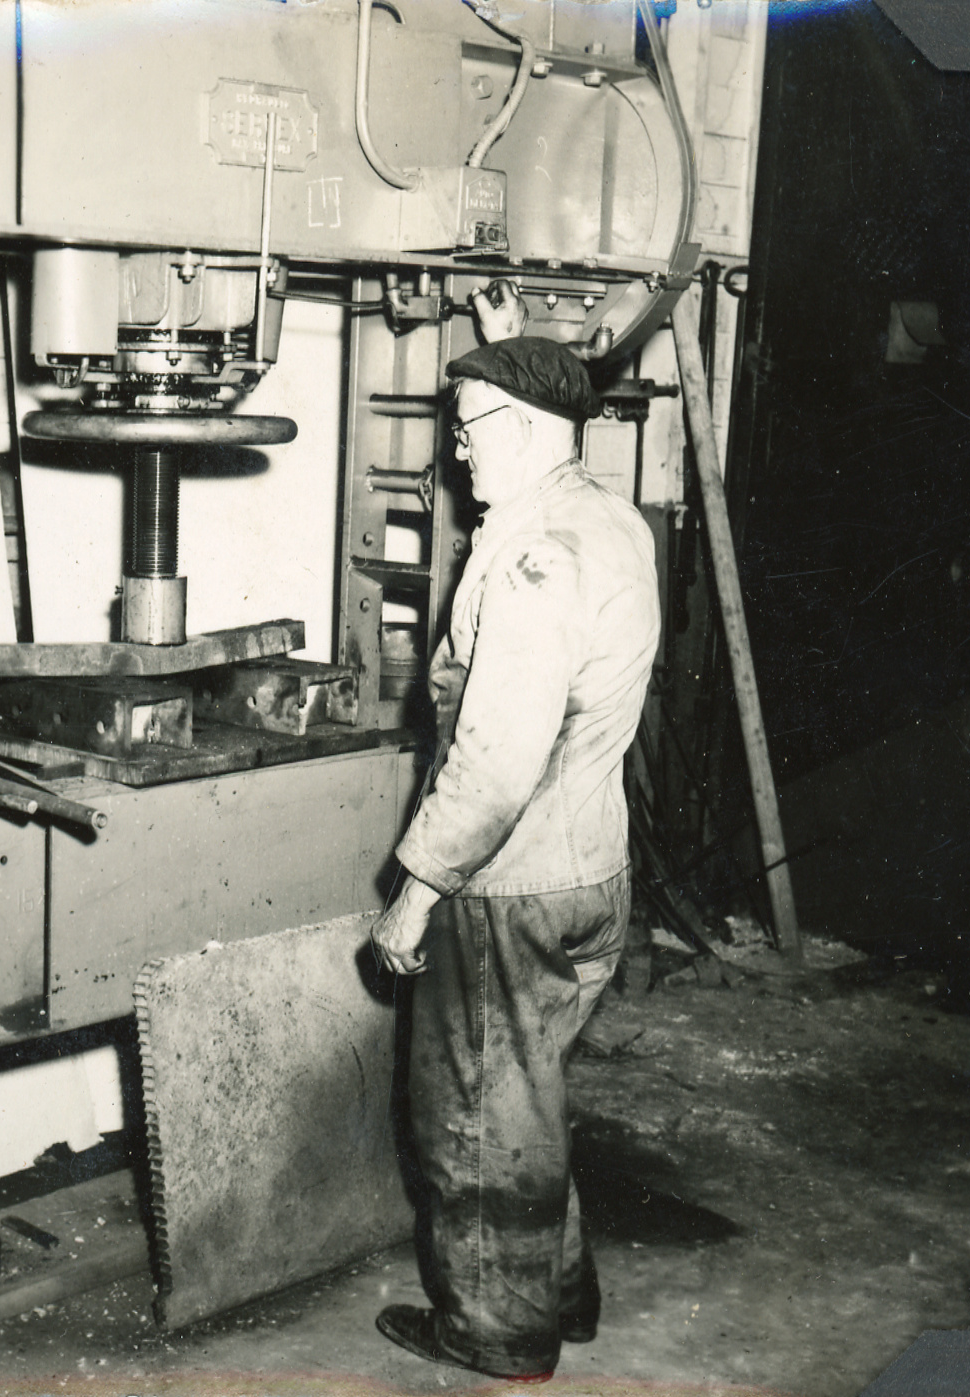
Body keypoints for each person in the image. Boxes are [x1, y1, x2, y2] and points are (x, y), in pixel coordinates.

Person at [369, 285, 662, 1382]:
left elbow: (495, 755)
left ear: (529, 432)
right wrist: (503, 353)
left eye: (470, 429)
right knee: (528, 1086)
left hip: (512, 878)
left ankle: (497, 1328)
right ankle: (563, 1291)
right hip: (596, 871)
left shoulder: (534, 552)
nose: (455, 450)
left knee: (476, 1109)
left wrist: (418, 885)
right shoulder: (606, 513)